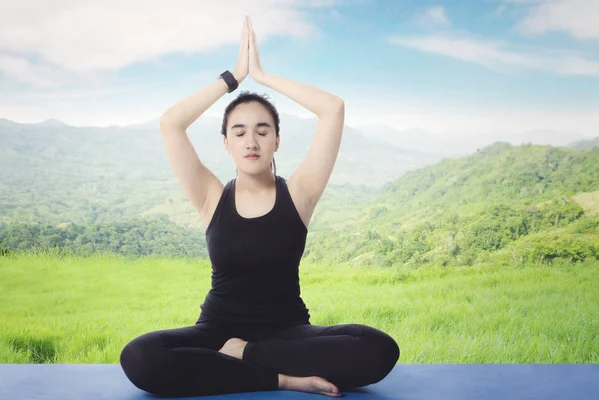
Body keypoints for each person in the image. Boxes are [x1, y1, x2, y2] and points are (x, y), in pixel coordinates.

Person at [119, 15, 400, 398]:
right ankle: (278, 377)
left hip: (288, 334)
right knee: (139, 357)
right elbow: (170, 123)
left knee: (378, 348)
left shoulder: (299, 194)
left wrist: (263, 77)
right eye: (239, 131)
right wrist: (235, 76)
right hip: (216, 331)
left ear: (276, 141)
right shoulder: (210, 196)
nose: (251, 140)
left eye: (262, 130)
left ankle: (247, 356)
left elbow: (333, 108)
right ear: (227, 144)